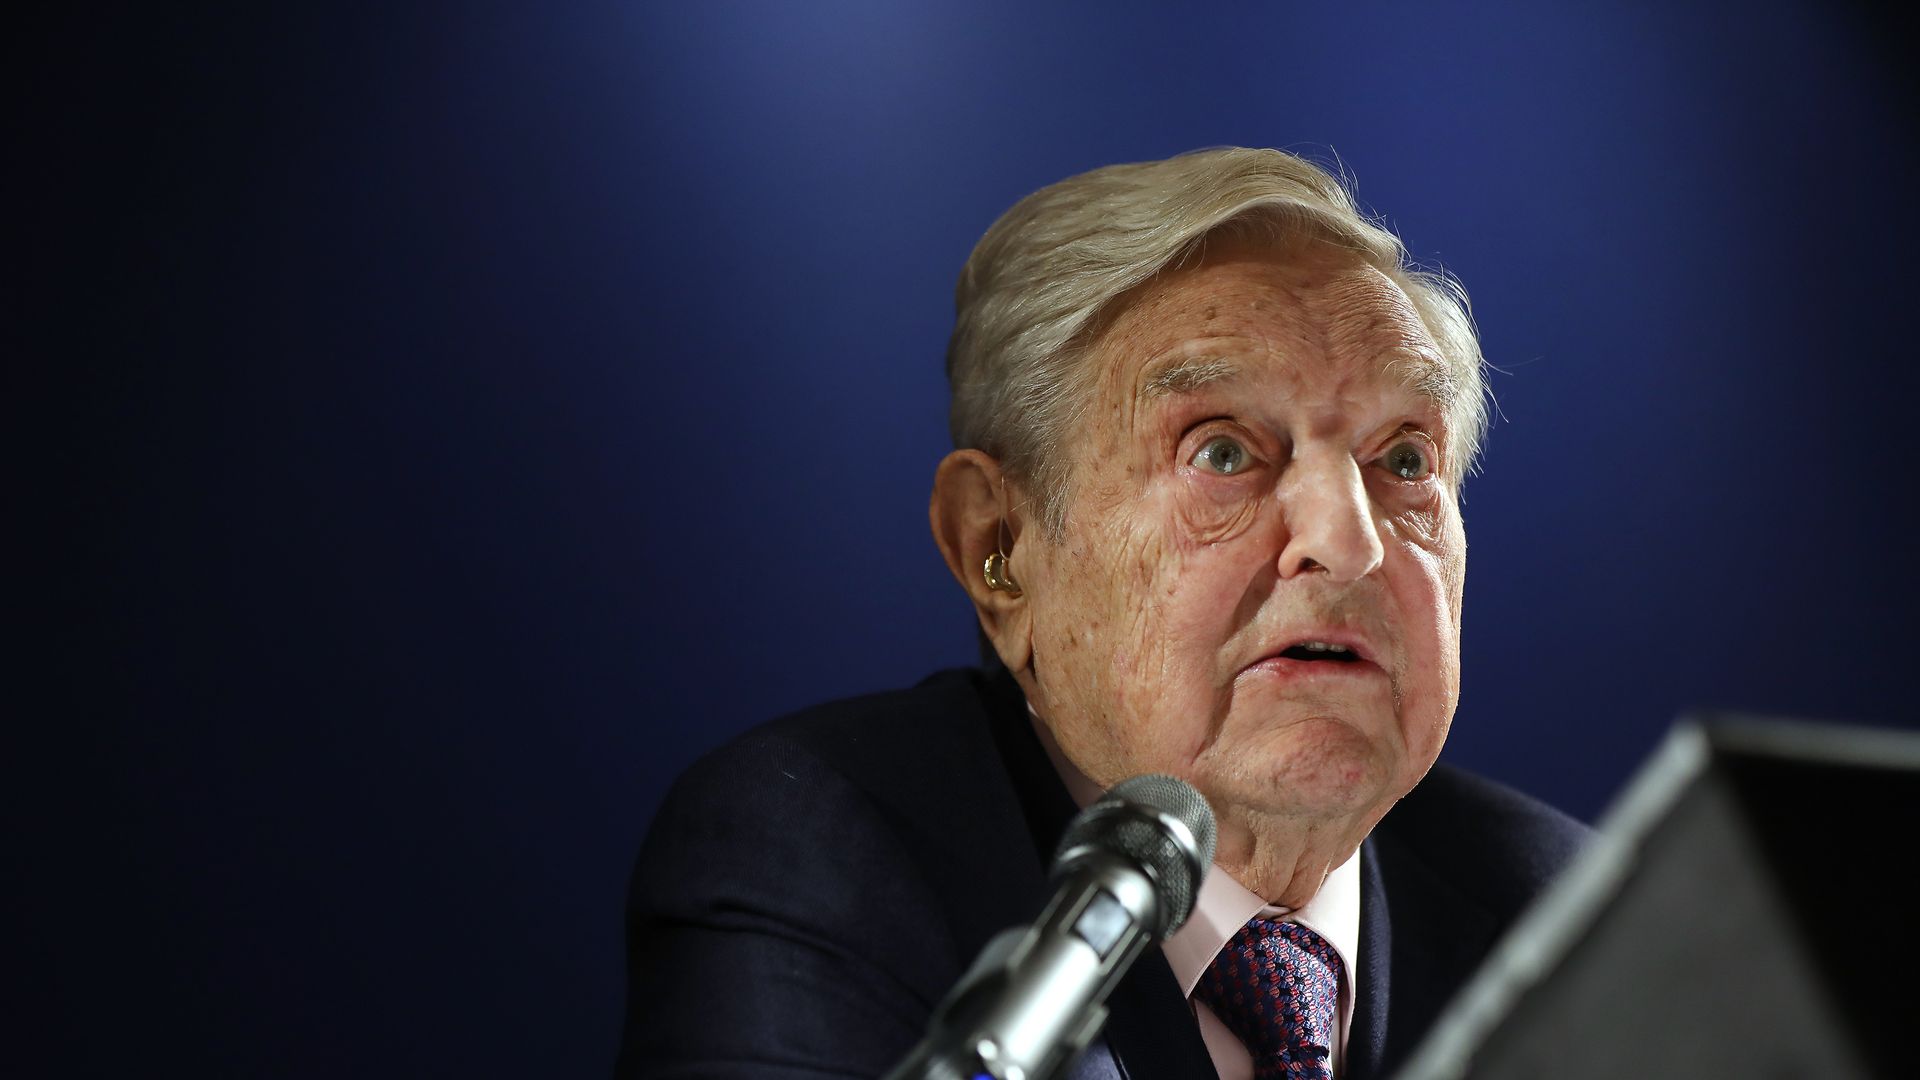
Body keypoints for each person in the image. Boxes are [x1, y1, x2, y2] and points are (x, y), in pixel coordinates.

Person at [614, 147, 1590, 1079]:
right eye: (1222, 453)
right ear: (1001, 550)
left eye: (1406, 460)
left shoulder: (1569, 919)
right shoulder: (823, 860)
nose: (1349, 541)